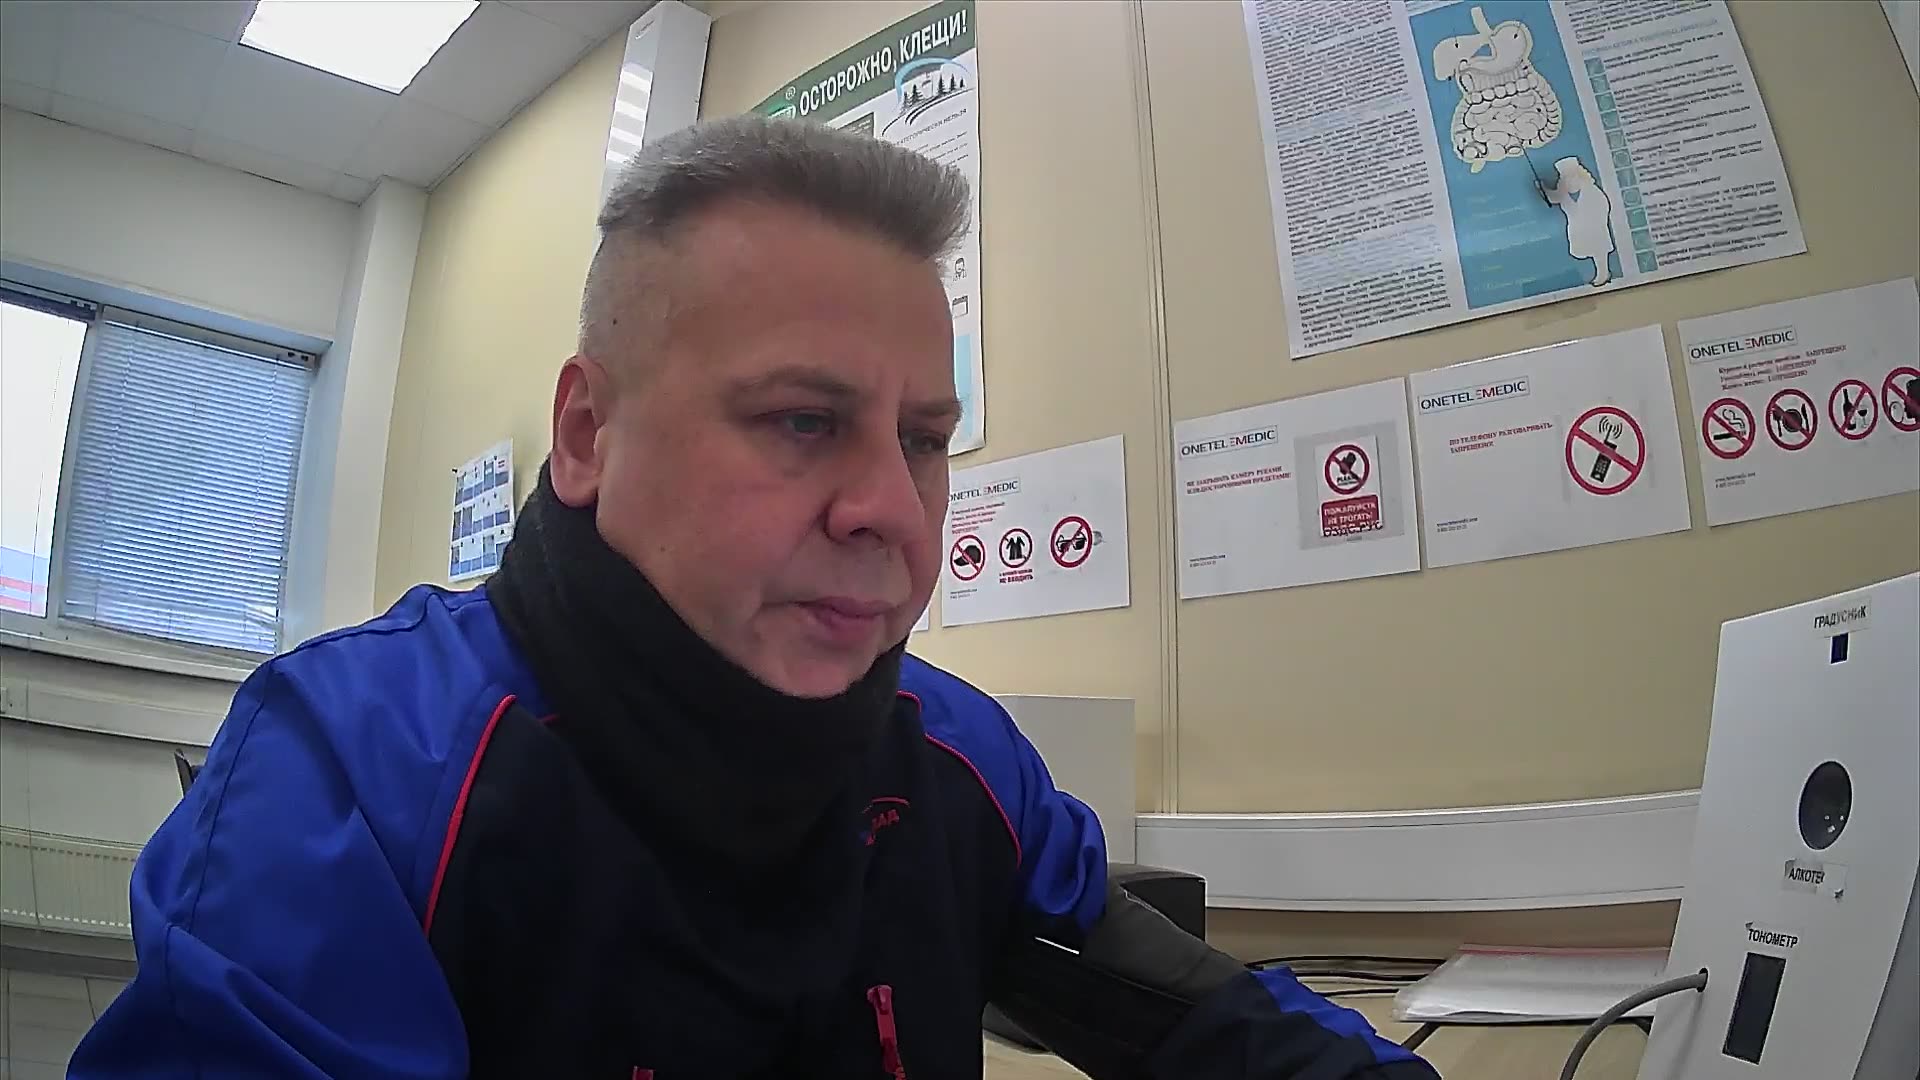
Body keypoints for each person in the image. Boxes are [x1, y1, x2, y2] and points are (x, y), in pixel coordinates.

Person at [72, 117, 1436, 1079]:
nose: (892, 508)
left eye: (923, 438)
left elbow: (1204, 1022)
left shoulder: (959, 757)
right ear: (589, 435)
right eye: (801, 421)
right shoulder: (350, 777)